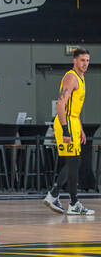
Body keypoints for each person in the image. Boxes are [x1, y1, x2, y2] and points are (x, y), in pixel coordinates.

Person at [43, 47, 94, 215]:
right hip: (65, 123)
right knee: (73, 162)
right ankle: (62, 198)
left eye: (87, 60)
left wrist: (80, 129)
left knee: (75, 162)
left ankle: (66, 199)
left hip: (73, 122)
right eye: (82, 60)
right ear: (74, 60)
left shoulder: (81, 77)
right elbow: (60, 104)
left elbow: (75, 109)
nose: (85, 63)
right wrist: (66, 130)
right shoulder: (71, 77)